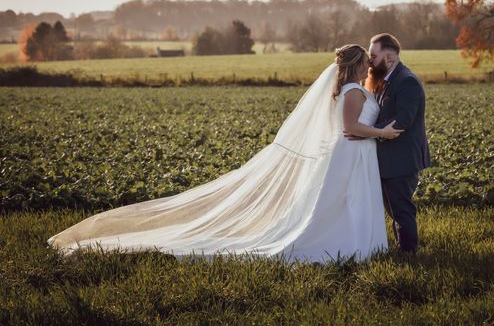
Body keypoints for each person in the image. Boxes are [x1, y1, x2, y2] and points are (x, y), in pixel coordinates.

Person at [47, 45, 403, 263]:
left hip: (354, 156)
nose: (371, 64)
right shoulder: (354, 91)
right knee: (342, 206)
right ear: (358, 65)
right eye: (367, 60)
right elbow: (350, 128)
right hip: (352, 152)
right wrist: (383, 133)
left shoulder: (348, 87)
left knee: (344, 205)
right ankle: (348, 247)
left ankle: (358, 246)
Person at [366, 33, 430, 254]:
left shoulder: (407, 81)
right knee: (393, 206)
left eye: (373, 56)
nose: (369, 61)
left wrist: (371, 132)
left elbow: (404, 120)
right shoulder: (387, 79)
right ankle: (402, 245)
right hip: (390, 157)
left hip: (401, 158)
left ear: (390, 57)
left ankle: (409, 251)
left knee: (401, 207)